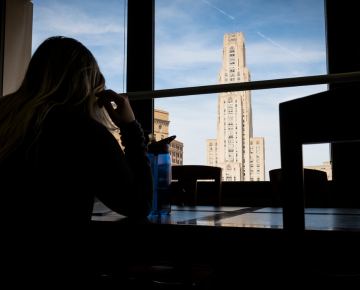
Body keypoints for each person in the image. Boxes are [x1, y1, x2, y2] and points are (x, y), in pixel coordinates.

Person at [0, 36, 153, 287]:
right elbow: (140, 204)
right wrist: (131, 128)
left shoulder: (6, 116)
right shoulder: (83, 132)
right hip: (55, 273)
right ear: (87, 88)